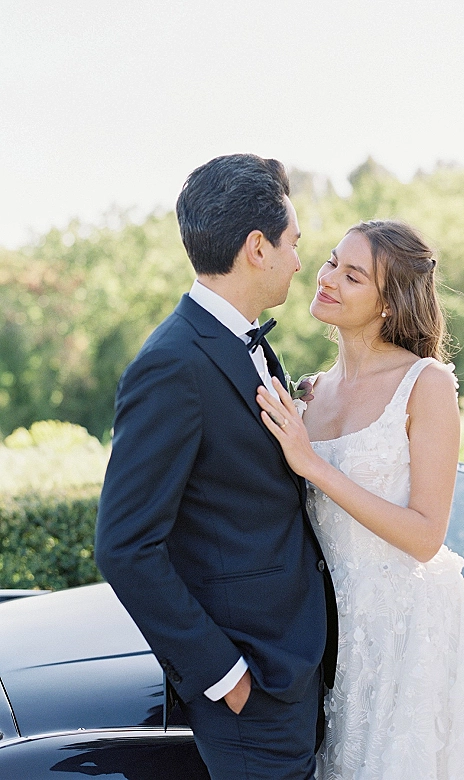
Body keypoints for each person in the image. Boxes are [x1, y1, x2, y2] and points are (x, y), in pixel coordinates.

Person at [256, 220, 464, 779]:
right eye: (331, 261)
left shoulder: (426, 383)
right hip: (329, 634)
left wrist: (311, 463)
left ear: (389, 303)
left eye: (353, 275)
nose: (328, 278)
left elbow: (424, 534)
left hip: (409, 633)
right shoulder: (309, 394)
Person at [95, 153, 338, 780]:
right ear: (257, 248)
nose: (299, 261)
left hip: (293, 662)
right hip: (250, 682)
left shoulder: (244, 338)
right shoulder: (171, 364)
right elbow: (125, 544)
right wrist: (222, 673)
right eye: (292, 244)